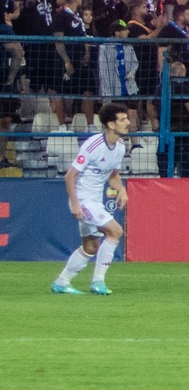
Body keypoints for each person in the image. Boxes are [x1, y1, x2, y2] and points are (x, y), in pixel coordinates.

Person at [53, 107, 132, 296]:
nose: (128, 123)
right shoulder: (92, 145)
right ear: (111, 124)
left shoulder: (120, 146)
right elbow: (70, 176)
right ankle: (98, 282)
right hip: (83, 200)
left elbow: (112, 173)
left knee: (91, 247)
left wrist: (122, 190)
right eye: (123, 119)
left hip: (95, 200)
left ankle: (61, 282)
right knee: (115, 231)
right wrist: (76, 204)